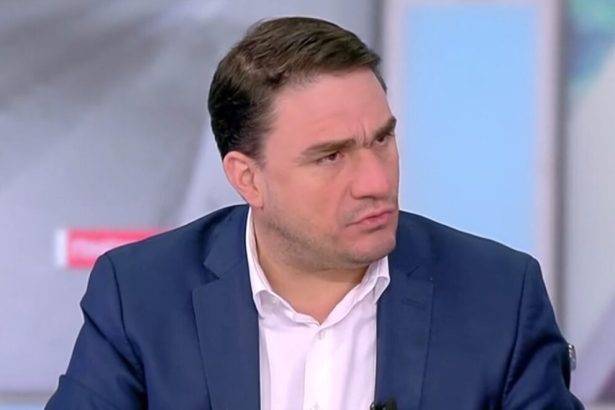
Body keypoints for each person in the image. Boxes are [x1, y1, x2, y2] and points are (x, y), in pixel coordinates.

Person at [46, 16, 584, 410]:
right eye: (330, 156)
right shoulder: (141, 295)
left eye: (382, 140)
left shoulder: (499, 297)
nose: (376, 183)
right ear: (247, 178)